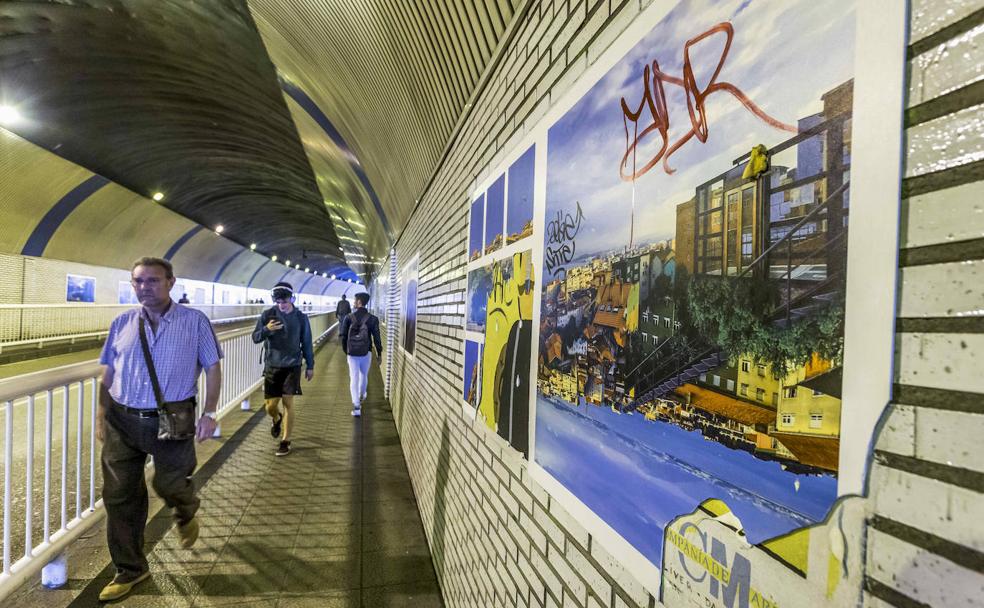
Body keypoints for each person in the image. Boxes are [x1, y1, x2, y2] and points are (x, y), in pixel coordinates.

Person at [95, 257, 222, 602]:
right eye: (138, 281)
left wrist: (210, 412)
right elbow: (107, 373)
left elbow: (212, 368)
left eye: (152, 281)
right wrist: (100, 414)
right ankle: (130, 570)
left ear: (170, 282)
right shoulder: (122, 322)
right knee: (119, 496)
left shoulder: (193, 321)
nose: (144, 287)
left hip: (173, 416)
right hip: (122, 419)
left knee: (169, 482)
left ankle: (184, 509)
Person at [252, 282, 314, 456]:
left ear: (292, 298)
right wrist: (266, 329)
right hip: (272, 365)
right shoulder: (267, 315)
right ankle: (276, 418)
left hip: (292, 365)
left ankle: (285, 441)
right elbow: (255, 337)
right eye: (278, 302)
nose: (282, 305)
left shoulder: (301, 318)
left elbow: (307, 343)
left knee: (288, 403)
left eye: (284, 301)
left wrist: (310, 365)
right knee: (270, 407)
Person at [339, 292, 382, 417]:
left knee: (354, 377)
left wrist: (346, 350)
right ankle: (362, 394)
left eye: (354, 300)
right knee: (364, 375)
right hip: (366, 351)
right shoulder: (373, 319)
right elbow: (377, 338)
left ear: (359, 302)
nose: (353, 302)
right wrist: (379, 353)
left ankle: (357, 406)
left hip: (352, 353)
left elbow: (343, 336)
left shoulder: (348, 317)